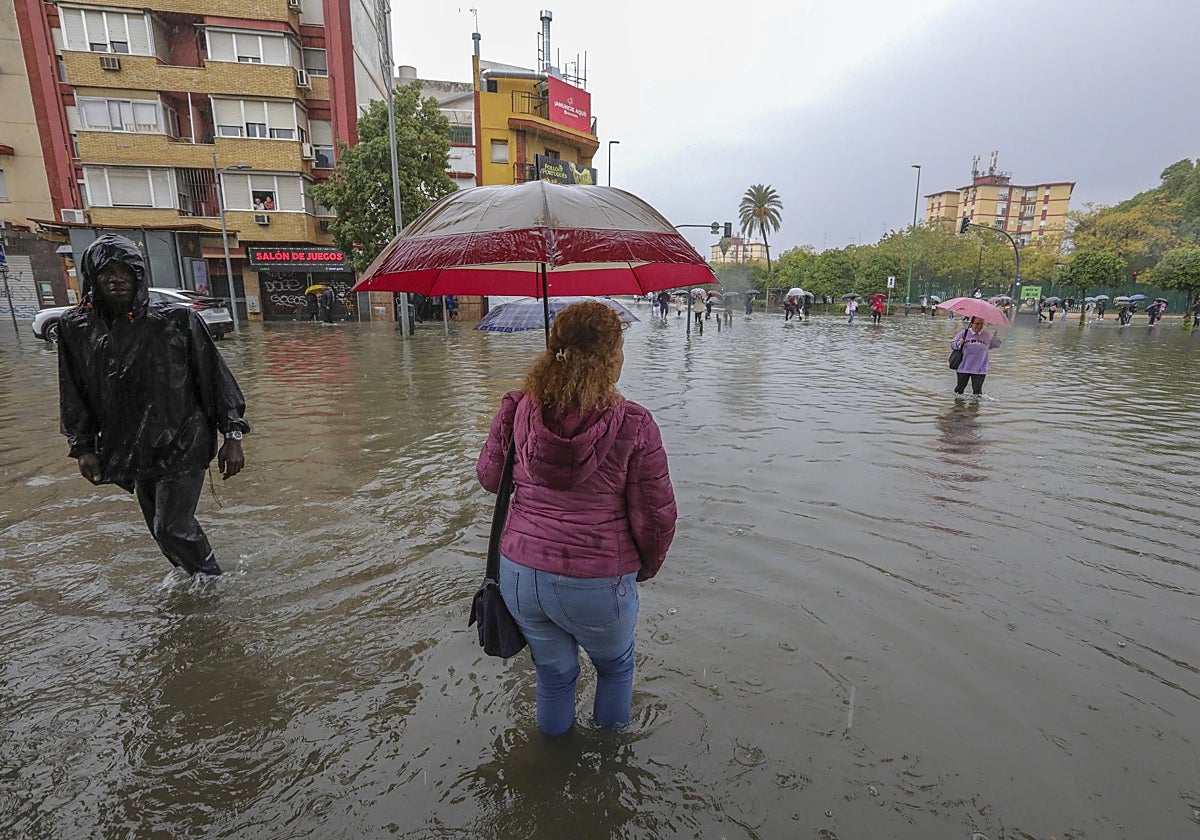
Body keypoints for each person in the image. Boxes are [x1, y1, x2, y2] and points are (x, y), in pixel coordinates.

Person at [476, 301, 677, 736]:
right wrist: (645, 569)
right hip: (598, 581)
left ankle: (551, 770)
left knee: (554, 675)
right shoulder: (635, 424)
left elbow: (490, 479)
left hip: (521, 576)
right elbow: (656, 518)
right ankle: (607, 769)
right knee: (616, 667)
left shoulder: (515, 408)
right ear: (610, 358)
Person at [58, 234, 249, 577]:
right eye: (107, 272)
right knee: (159, 531)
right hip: (130, 444)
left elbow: (215, 377)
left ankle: (212, 586)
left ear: (138, 276)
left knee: (170, 526)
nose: (117, 279)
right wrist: (83, 446)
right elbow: (74, 392)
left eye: (125, 271)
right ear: (92, 277)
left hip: (184, 438)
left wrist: (232, 434)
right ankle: (191, 583)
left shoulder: (176, 320)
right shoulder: (76, 328)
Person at [949, 315, 1002, 396]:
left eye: (981, 324)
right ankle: (958, 407)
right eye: (977, 323)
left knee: (977, 393)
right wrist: (959, 343)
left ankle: (974, 407)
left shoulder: (987, 335)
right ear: (971, 323)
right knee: (959, 390)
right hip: (964, 367)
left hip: (980, 368)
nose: (979, 326)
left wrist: (996, 340)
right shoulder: (964, 333)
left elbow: (995, 345)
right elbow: (953, 345)